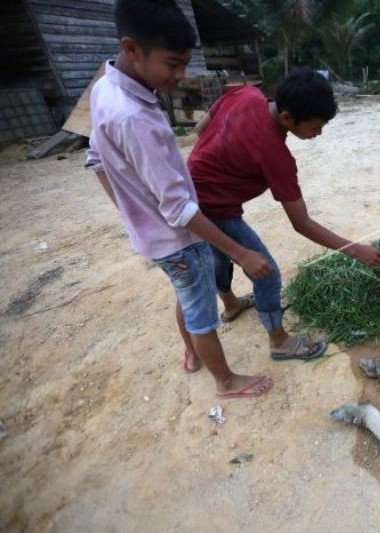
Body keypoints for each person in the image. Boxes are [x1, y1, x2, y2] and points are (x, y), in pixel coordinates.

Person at [86, 0, 273, 399]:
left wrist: (129, 211)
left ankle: (191, 355)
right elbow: (179, 209)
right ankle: (226, 382)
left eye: (185, 63)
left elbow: (96, 159)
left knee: (187, 293)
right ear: (132, 48)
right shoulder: (132, 117)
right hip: (177, 239)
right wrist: (240, 254)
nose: (180, 75)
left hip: (155, 235)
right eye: (172, 64)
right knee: (202, 310)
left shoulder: (104, 84)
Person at [187, 69, 380, 360]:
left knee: (218, 253)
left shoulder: (246, 94)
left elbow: (200, 128)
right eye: (315, 127)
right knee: (265, 270)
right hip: (214, 207)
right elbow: (301, 223)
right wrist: (355, 250)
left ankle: (231, 305)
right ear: (287, 118)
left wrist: (218, 159)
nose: (318, 134)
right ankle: (279, 341)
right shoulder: (276, 156)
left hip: (188, 191)